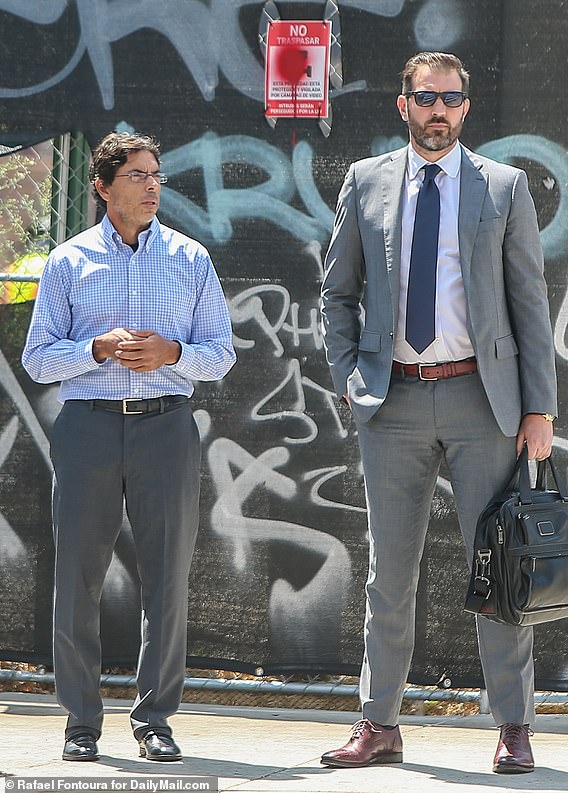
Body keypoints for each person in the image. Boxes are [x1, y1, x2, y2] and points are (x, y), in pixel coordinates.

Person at [320, 52, 556, 774]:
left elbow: (530, 303)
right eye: (426, 98)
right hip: (390, 399)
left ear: (466, 109)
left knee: (503, 568)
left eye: (452, 99)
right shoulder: (365, 181)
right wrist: (350, 378)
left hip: (482, 400)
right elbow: (336, 294)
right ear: (403, 105)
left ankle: (513, 724)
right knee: (389, 572)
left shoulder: (503, 187)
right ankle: (379, 723)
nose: (439, 111)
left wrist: (539, 406)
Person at [22, 131, 236, 762]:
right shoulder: (68, 261)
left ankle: (155, 721)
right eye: (138, 175)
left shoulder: (191, 258)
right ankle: (80, 723)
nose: (151, 186)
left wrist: (173, 354)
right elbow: (36, 359)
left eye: (156, 175)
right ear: (103, 186)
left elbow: (220, 353)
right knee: (77, 579)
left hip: (166, 425)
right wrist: (97, 348)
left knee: (167, 577)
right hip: (87, 427)